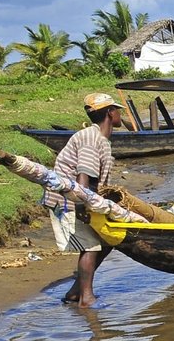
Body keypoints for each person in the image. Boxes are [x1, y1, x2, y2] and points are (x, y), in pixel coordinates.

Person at [44, 92, 124, 307]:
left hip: (82, 196)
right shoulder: (91, 138)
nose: (120, 114)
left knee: (108, 240)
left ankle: (75, 291)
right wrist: (83, 206)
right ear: (110, 112)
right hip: (70, 199)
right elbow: (82, 177)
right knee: (91, 245)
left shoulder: (101, 138)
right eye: (118, 110)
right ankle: (86, 298)